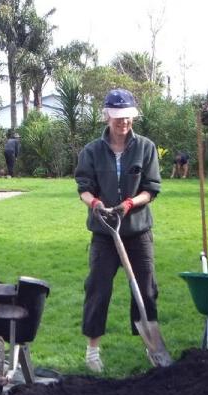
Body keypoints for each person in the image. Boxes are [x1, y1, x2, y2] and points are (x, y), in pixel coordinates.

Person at [74, 88, 162, 372]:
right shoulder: (92, 151)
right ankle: (92, 351)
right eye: (117, 118)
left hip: (137, 231)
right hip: (104, 233)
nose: (123, 123)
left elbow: (151, 189)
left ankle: (151, 348)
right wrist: (96, 204)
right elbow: (83, 189)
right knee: (98, 287)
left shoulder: (146, 148)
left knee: (145, 289)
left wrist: (129, 203)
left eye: (127, 117)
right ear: (106, 117)